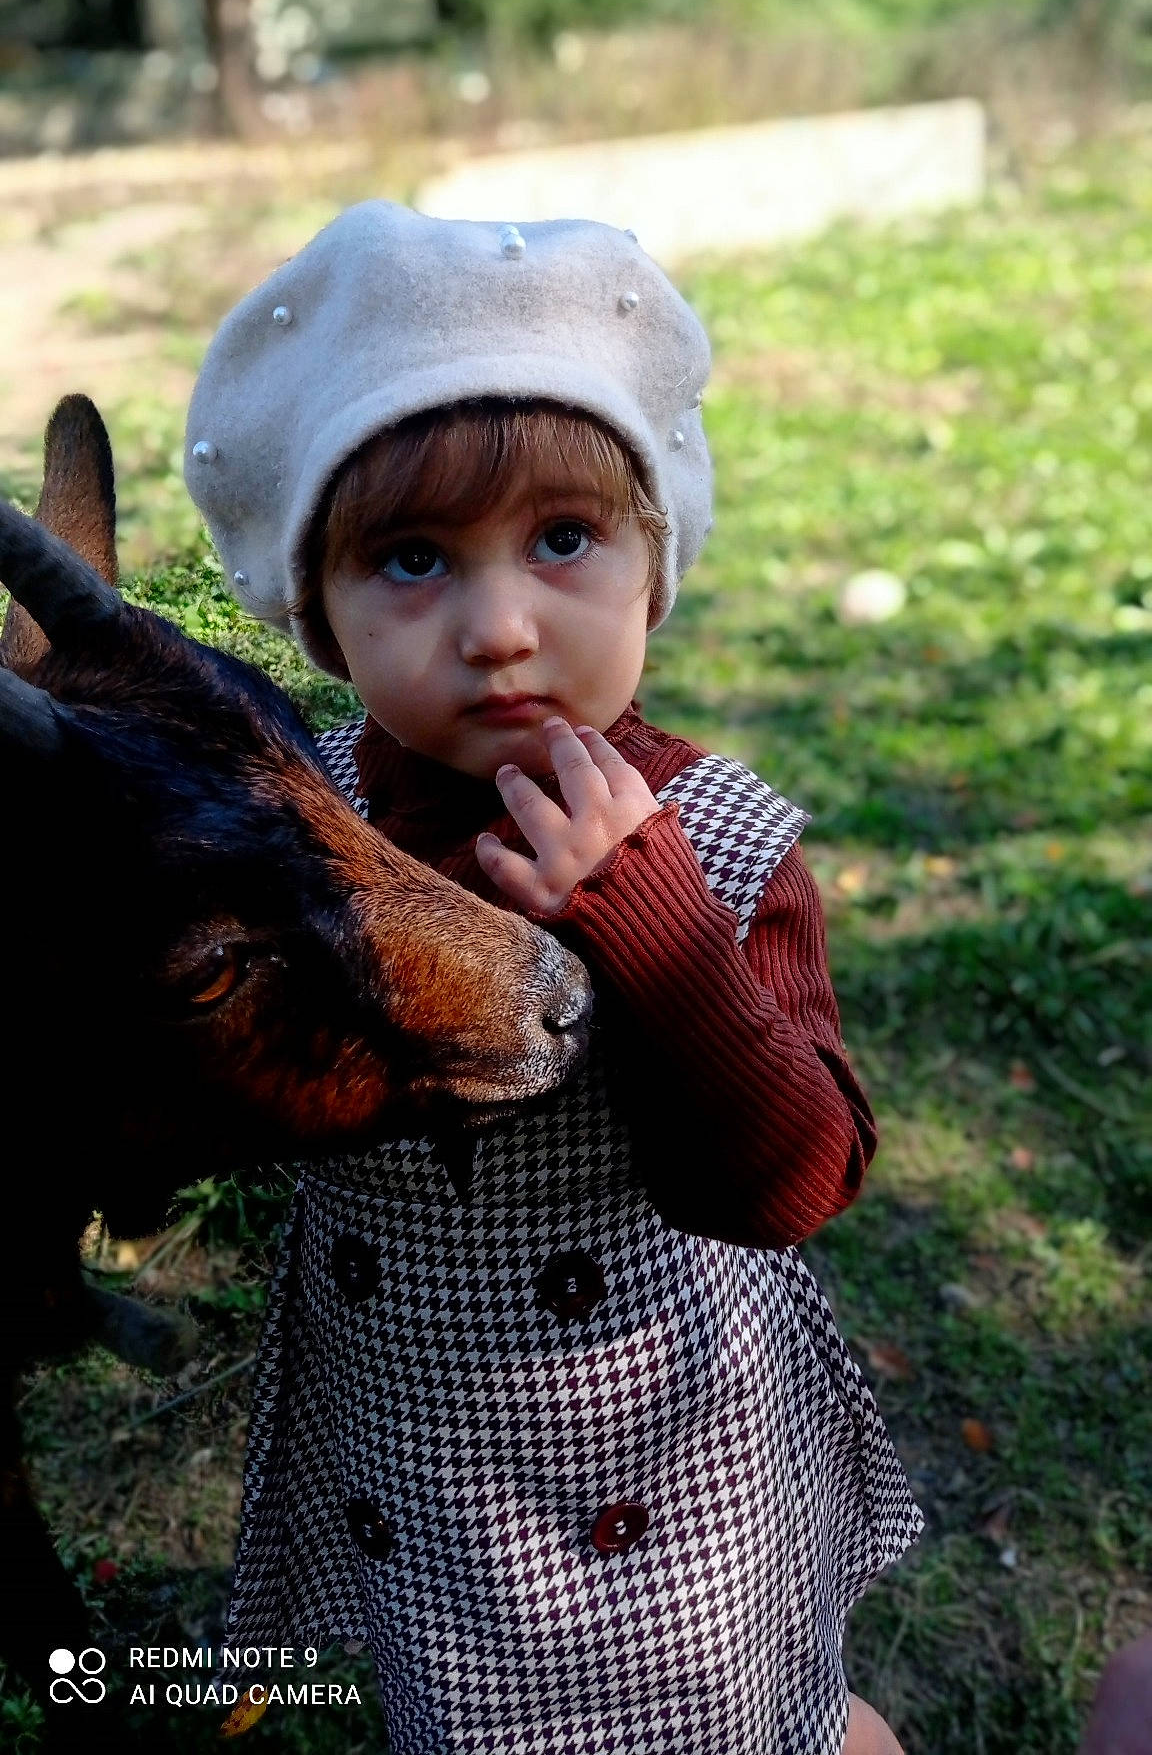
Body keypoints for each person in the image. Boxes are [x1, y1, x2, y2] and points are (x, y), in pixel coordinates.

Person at [185, 202, 923, 1755]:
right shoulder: (310, 826)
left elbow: (791, 1179)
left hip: (666, 1436)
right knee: (465, 1695)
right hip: (428, 1423)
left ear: (658, 562)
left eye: (565, 539)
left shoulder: (716, 843)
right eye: (410, 560)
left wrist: (643, 919)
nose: (501, 628)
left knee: (731, 1710)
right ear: (315, 610)